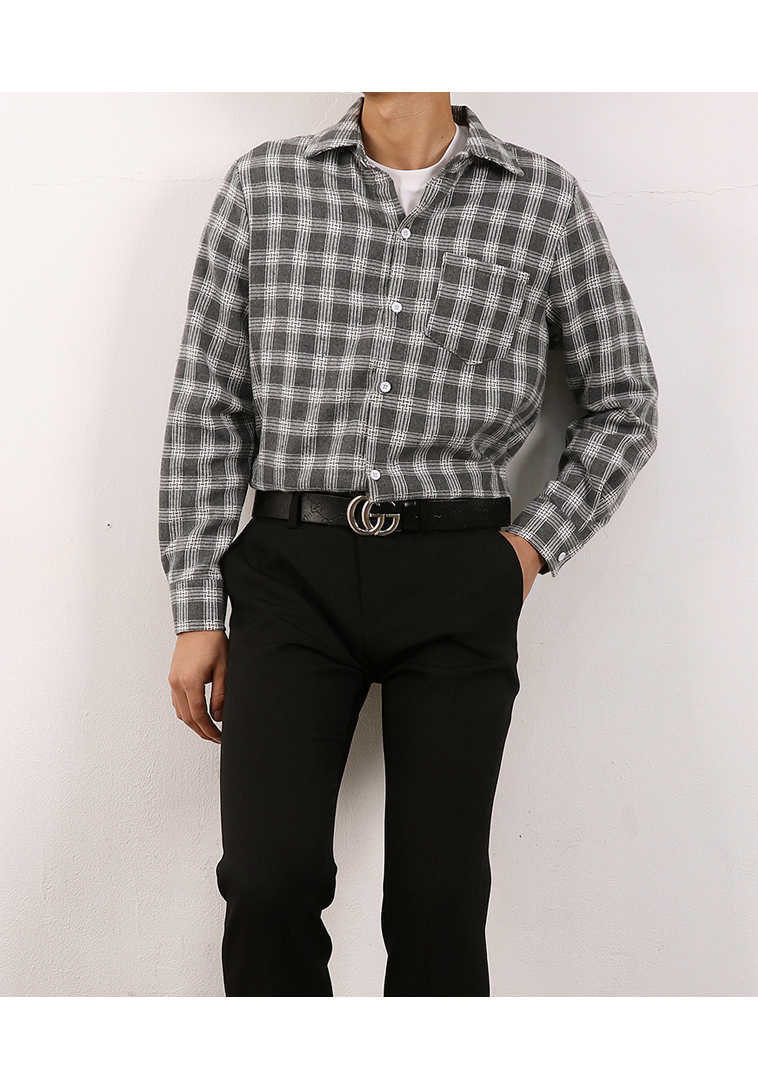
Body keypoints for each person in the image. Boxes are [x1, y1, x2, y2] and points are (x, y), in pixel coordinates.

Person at [159, 92, 658, 996]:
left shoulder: (542, 199)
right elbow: (209, 403)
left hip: (459, 576)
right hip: (292, 573)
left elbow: (625, 400)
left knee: (440, 903)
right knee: (267, 885)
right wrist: (197, 609)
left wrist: (528, 550)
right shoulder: (266, 184)